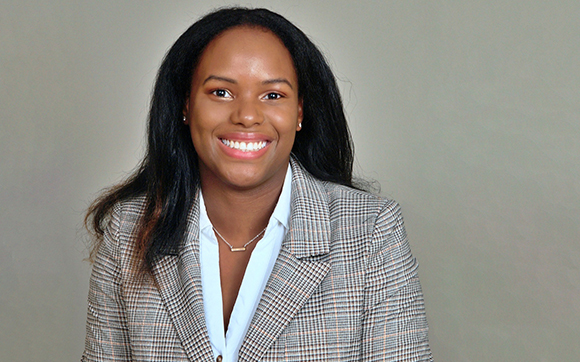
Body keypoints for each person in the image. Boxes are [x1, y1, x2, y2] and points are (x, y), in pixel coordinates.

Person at [82, 7, 432, 362]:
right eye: (220, 92)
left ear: (299, 113)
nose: (247, 115)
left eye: (273, 95)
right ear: (186, 106)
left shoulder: (370, 231)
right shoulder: (129, 230)